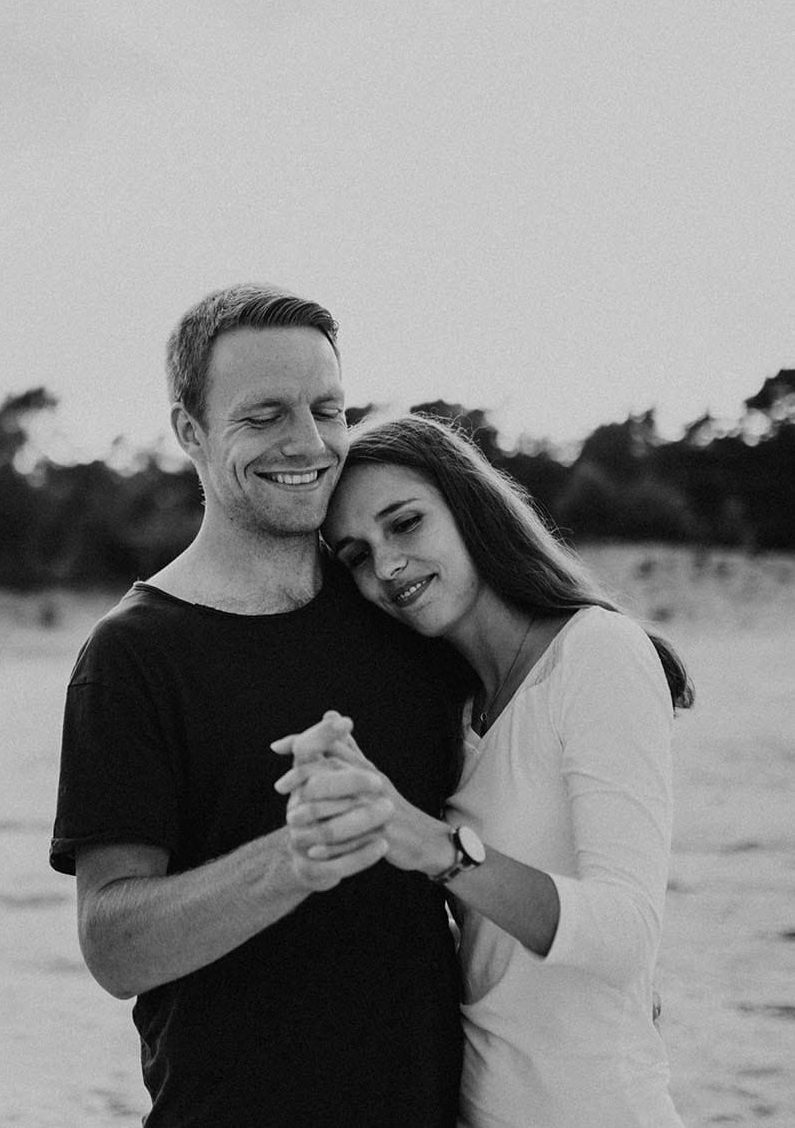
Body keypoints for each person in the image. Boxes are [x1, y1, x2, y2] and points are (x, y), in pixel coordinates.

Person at [50, 286, 466, 1125]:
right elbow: (113, 945)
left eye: (327, 409)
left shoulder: (402, 606)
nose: (308, 442)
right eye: (265, 415)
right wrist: (294, 859)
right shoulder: (132, 657)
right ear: (191, 431)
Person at [274, 413, 693, 1128]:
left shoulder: (596, 652)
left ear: (470, 505)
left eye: (406, 523)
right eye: (357, 556)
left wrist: (433, 846)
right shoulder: (449, 709)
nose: (387, 566)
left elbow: (626, 936)